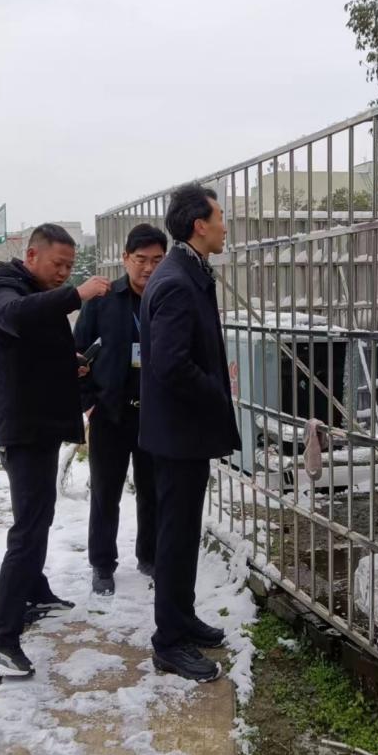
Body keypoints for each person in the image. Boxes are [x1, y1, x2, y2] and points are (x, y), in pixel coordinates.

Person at [0, 224, 110, 678]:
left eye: (71, 267)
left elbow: (30, 346)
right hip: (22, 427)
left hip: (39, 424)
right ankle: (0, 640)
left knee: (37, 517)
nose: (64, 273)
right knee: (29, 529)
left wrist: (67, 363)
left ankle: (34, 593)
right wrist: (77, 295)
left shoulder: (34, 290)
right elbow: (14, 317)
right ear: (32, 255)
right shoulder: (1, 286)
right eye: (58, 265)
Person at [139, 183, 241, 682]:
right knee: (175, 538)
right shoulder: (178, 281)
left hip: (181, 433)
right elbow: (171, 364)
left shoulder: (188, 271)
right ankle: (168, 642)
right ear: (200, 225)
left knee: (181, 534)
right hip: (178, 435)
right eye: (220, 217)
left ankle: (181, 618)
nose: (225, 225)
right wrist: (216, 392)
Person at [74, 224, 168, 596]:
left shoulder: (168, 297)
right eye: (141, 259)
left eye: (157, 260)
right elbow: (77, 355)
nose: (148, 268)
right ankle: (102, 564)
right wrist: (89, 404)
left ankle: (150, 556)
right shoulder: (102, 300)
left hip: (155, 415)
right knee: (105, 493)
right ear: (126, 258)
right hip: (110, 414)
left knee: (152, 491)